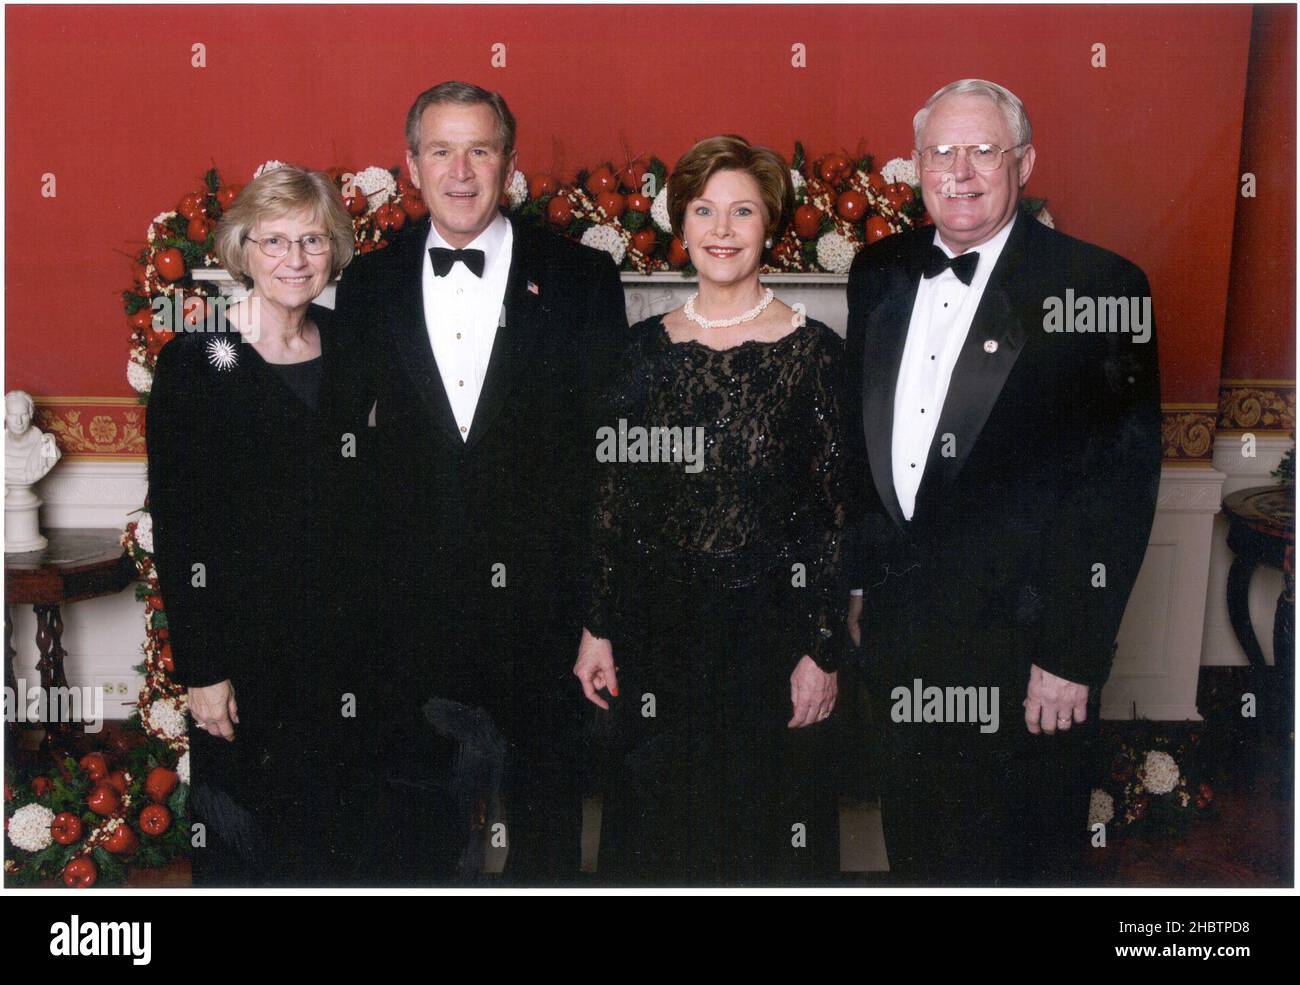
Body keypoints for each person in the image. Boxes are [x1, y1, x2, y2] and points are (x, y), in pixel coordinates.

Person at [841, 79, 1162, 884]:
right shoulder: (879, 271)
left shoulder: (1102, 287)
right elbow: (863, 452)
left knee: (1021, 862)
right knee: (917, 849)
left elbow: (1120, 489)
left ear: (1024, 161)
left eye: (984, 151)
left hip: (1026, 652)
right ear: (914, 166)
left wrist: (1072, 653)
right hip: (902, 636)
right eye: (941, 152)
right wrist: (853, 589)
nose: (961, 171)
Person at [331, 81, 628, 884]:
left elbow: (613, 461)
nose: (461, 171)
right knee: (417, 836)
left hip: (544, 610)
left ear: (510, 161)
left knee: (544, 833)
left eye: (481, 149)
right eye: (441, 150)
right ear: (411, 166)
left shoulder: (583, 279)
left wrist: (600, 616)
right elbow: (344, 463)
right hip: (408, 615)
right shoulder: (367, 286)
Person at [575, 135, 846, 884]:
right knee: (659, 839)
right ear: (680, 225)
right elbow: (613, 502)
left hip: (770, 638)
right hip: (659, 633)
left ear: (770, 226)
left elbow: (833, 516)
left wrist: (821, 648)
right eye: (704, 210)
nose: (722, 230)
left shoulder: (814, 354)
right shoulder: (639, 353)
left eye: (742, 211)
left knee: (761, 840)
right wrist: (597, 626)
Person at [147, 164, 366, 885]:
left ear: (334, 250)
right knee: (247, 842)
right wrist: (203, 670)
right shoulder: (194, 360)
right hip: (243, 649)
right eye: (273, 241)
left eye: (311, 240)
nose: (293, 260)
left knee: (337, 837)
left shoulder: (352, 346)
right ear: (242, 250)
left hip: (343, 643)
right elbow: (180, 528)